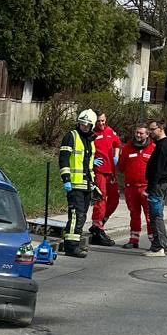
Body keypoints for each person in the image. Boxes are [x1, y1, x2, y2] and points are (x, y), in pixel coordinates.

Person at [58, 109, 97, 258]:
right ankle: (71, 246)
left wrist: (93, 184)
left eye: (87, 125)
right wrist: (66, 179)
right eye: (82, 124)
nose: (84, 127)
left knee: (82, 216)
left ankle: (75, 242)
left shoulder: (90, 140)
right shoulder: (71, 137)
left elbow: (88, 165)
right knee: (76, 215)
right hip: (74, 185)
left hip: (86, 185)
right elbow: (64, 159)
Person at [118, 123, 155, 249]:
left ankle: (154, 241)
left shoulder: (153, 148)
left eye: (141, 133)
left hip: (147, 188)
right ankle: (134, 239)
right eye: (137, 132)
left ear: (147, 134)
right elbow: (121, 167)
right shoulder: (128, 147)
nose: (138, 135)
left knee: (150, 216)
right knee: (134, 214)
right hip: (131, 187)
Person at [88, 112, 123, 247]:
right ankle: (97, 226)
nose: (101, 124)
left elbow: (117, 143)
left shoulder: (110, 131)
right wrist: (92, 161)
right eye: (98, 122)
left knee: (114, 199)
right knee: (100, 199)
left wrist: (116, 156)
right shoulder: (92, 134)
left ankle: (100, 222)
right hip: (99, 172)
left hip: (111, 171)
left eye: (103, 121)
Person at [143, 119, 167, 257]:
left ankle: (158, 247)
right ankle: (165, 246)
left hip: (158, 184)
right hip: (161, 183)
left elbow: (158, 169)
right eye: (149, 130)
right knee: (158, 215)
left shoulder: (163, 146)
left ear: (161, 128)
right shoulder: (163, 144)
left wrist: (150, 188)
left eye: (152, 129)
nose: (150, 132)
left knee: (155, 216)